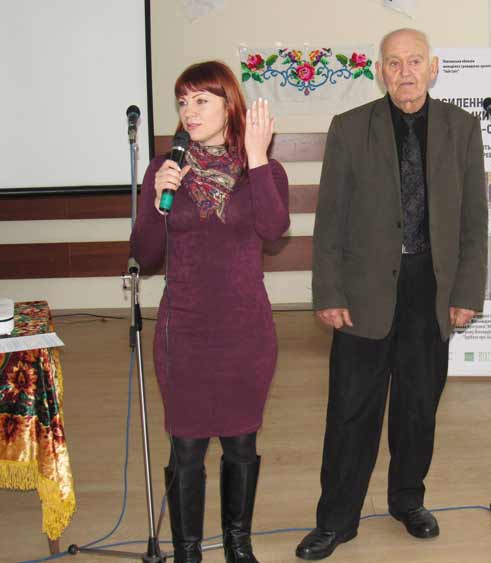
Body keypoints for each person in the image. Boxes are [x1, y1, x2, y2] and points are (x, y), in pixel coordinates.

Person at [295, 29, 487, 560]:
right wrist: (328, 291)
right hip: (363, 292)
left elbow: (474, 219)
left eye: (415, 61)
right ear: (380, 71)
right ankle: (336, 520)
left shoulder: (462, 128)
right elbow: (330, 219)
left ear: (433, 68)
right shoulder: (350, 128)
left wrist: (467, 289)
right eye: (394, 63)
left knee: (418, 406)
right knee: (351, 410)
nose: (405, 72)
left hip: (432, 287)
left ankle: (408, 501)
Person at [130, 60, 289, 563]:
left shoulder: (263, 169)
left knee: (241, 443)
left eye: (201, 100)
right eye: (183, 101)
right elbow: (145, 256)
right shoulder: (165, 169)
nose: (189, 111)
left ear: (229, 105)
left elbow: (275, 228)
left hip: (245, 330)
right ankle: (188, 552)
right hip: (185, 331)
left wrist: (258, 158)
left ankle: (238, 546)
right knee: (187, 449)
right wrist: (155, 202)